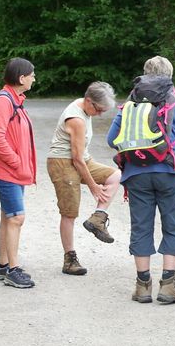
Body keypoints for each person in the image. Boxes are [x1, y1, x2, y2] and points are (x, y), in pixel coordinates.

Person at [107, 56, 175, 304]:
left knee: (141, 226)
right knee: (173, 226)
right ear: (169, 77)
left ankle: (142, 286)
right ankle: (168, 286)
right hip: (171, 173)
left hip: (136, 173)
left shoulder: (129, 106)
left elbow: (111, 139)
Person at [47, 81, 121, 276]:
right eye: (99, 109)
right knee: (69, 213)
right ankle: (69, 259)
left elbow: (82, 156)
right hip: (62, 163)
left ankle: (97, 218)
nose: (100, 114)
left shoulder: (85, 107)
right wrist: (93, 187)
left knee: (115, 175)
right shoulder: (77, 119)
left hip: (81, 159)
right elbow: (77, 160)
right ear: (89, 101)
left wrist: (95, 175)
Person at [0, 57, 37, 289]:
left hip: (13, 170)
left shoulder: (15, 99)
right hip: (6, 170)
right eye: (32, 74)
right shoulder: (4, 101)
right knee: (16, 217)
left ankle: (3, 265)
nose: (34, 78)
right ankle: (12, 271)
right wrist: (16, 162)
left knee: (8, 216)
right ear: (21, 77)